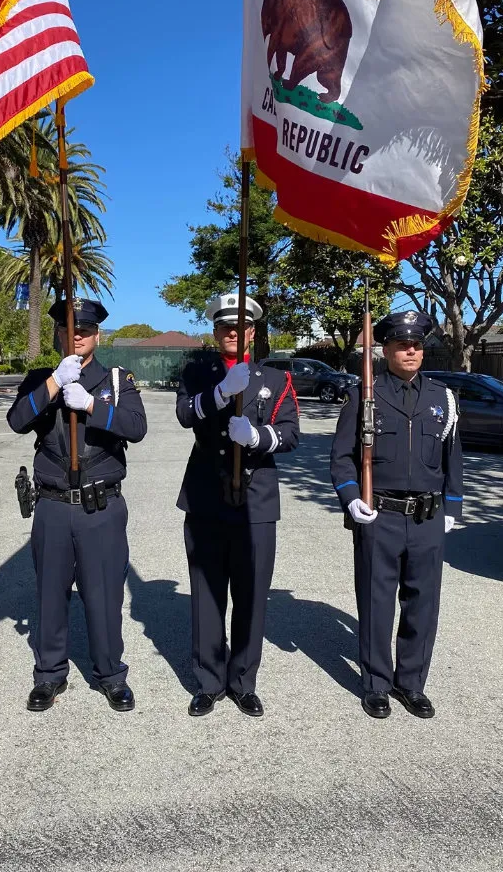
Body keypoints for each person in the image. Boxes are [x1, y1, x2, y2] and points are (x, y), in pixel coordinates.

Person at [7, 298, 147, 713]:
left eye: (85, 329)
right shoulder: (39, 379)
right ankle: (49, 675)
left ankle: (110, 674)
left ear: (98, 335)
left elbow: (136, 428)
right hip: (51, 504)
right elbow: (17, 421)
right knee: (50, 593)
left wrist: (90, 404)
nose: (77, 335)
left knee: (103, 595)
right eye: (69, 329)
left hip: (100, 507)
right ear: (58, 334)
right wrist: (53, 384)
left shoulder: (117, 379)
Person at [330, 310, 463, 720]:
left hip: (426, 517)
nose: (411, 351)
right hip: (380, 514)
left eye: (417, 345)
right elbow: (341, 459)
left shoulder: (443, 397)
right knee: (376, 601)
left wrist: (453, 505)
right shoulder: (363, 395)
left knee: (423, 603)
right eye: (403, 345)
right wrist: (351, 497)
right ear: (384, 349)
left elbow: (452, 456)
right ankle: (376, 683)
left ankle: (412, 684)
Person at [175, 292, 299, 718]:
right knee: (207, 594)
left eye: (241, 326)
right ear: (215, 331)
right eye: (225, 326)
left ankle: (243, 680)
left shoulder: (276, 379)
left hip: (256, 501)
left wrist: (257, 438)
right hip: (207, 496)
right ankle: (209, 681)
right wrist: (222, 393)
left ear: (252, 331)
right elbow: (186, 415)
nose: (233, 332)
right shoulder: (196, 371)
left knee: (251, 596)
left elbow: (290, 434)